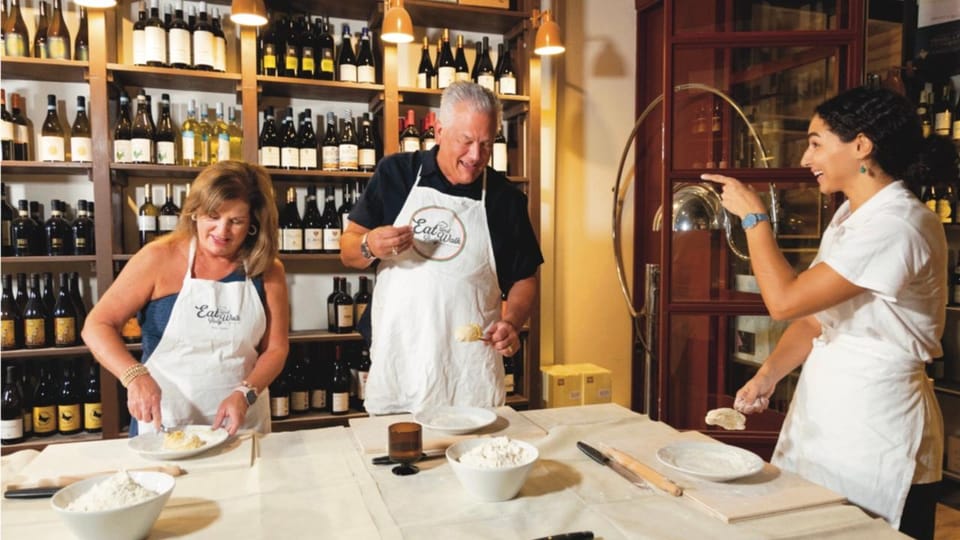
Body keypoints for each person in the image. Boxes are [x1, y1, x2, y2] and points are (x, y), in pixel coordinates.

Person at [702, 86, 946, 539]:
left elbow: (784, 301)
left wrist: (754, 220)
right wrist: (769, 375)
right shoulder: (850, 217)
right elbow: (814, 317)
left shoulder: (898, 224)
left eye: (816, 142)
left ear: (861, 145)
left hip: (876, 420)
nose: (804, 157)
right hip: (828, 410)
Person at [341, 81, 543, 415]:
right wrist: (369, 244)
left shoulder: (505, 200)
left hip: (469, 373)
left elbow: (524, 279)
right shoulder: (397, 175)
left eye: (486, 144)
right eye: (466, 141)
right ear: (438, 130)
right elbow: (348, 251)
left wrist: (513, 320)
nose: (476, 156)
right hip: (400, 361)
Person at [82, 161, 289, 436]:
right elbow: (97, 325)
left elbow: (276, 349)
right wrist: (134, 376)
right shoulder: (158, 257)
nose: (221, 231)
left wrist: (245, 393)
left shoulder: (268, 269)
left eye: (236, 221)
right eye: (212, 216)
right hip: (166, 421)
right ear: (195, 212)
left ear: (254, 223)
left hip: (241, 422)